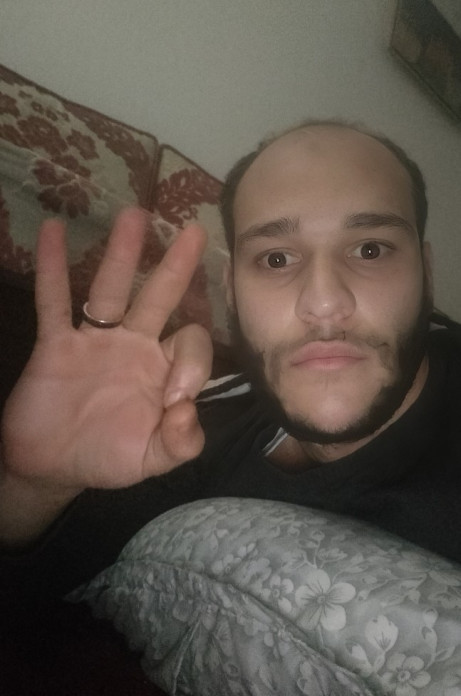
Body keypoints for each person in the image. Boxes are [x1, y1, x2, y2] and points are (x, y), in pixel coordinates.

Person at [2, 119, 461, 616]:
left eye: (370, 249)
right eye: (277, 259)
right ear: (232, 292)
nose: (325, 302)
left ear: (425, 273)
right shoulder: (185, 428)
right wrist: (35, 488)